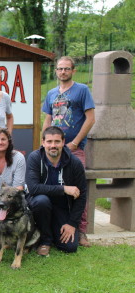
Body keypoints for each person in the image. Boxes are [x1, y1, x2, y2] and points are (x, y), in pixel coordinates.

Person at [42, 56, 95, 247]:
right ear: (55, 71)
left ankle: (81, 230)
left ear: (73, 70)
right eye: (59, 69)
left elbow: (90, 119)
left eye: (66, 69)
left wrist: (75, 142)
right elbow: (48, 120)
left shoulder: (82, 90)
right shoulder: (51, 93)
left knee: (79, 189)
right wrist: (43, 143)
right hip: (53, 149)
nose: (62, 72)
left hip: (74, 149)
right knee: (51, 184)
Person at [26, 126, 86, 256]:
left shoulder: (75, 163)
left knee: (70, 247)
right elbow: (33, 188)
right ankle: (45, 241)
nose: (53, 145)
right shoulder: (35, 158)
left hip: (62, 208)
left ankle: (52, 230)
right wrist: (64, 188)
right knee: (42, 201)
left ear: (63, 142)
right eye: (49, 141)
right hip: (39, 206)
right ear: (43, 142)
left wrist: (72, 223)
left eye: (57, 142)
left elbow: (82, 196)